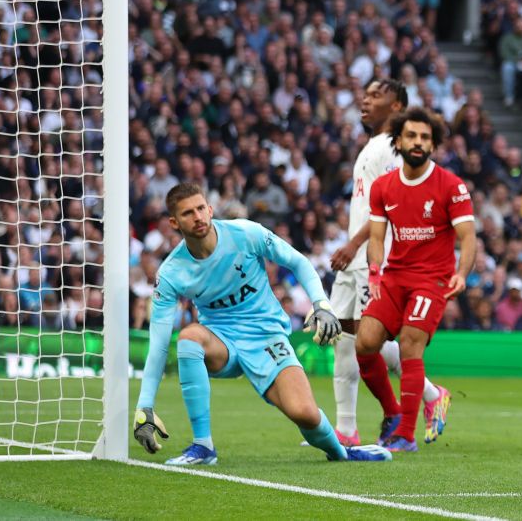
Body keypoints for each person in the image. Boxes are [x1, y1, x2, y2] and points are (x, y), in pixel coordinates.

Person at [132, 183, 392, 465]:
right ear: (174, 222)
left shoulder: (245, 233)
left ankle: (342, 452)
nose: (197, 217)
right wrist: (144, 406)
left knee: (305, 413)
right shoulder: (171, 272)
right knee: (189, 338)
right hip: (223, 343)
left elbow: (299, 262)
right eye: (187, 213)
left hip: (267, 337)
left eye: (200, 209)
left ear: (209, 209)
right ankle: (203, 446)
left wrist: (322, 305)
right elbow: (158, 346)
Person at [327, 80, 451, 447]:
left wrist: (354, 244)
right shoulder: (372, 145)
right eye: (363, 95)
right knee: (345, 340)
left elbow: (390, 202)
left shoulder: (395, 147)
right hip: (355, 259)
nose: (365, 100)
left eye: (375, 95)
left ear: (396, 105)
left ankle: (424, 398)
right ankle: (347, 429)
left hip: (373, 257)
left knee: (369, 339)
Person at [355, 107, 477, 452]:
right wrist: (375, 273)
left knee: (410, 341)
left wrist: (461, 273)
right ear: (398, 141)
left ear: (434, 145)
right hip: (393, 277)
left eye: (425, 137)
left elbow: (468, 237)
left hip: (432, 280)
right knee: (364, 343)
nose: (418, 142)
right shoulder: (383, 187)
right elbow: (377, 238)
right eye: (411, 135)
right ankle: (394, 413)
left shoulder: (451, 186)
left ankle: (405, 435)